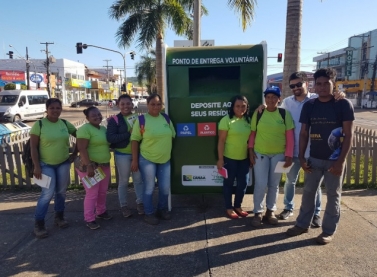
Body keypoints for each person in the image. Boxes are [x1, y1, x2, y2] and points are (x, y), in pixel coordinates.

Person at [286, 68, 354, 245]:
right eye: (319, 83)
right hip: (313, 159)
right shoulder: (310, 105)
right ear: (314, 85)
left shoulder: (343, 104)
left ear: (333, 84)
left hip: (335, 160)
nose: (322, 87)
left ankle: (328, 231)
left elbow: (348, 135)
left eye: (326, 83)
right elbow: (303, 134)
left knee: (333, 196)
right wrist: (301, 157)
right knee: (308, 193)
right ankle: (302, 225)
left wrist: (340, 162)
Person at [278, 71, 323, 227]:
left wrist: (340, 95)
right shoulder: (287, 102)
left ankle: (316, 213)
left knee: (314, 186)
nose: (295, 88)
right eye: (292, 86)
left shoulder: (317, 100)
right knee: (290, 182)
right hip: (294, 151)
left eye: (298, 84)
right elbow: (277, 117)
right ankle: (288, 208)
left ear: (306, 83)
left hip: (314, 152)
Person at [30, 98, 77, 238]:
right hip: (45, 165)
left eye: (58, 108)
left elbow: (80, 136)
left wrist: (75, 153)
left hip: (63, 162)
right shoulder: (39, 125)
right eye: (52, 108)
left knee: (61, 192)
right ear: (47, 109)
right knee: (47, 194)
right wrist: (36, 166)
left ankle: (59, 217)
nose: (55, 110)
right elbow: (33, 147)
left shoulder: (64, 123)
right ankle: (39, 224)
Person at [248, 86, 294, 227]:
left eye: (274, 97)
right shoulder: (259, 113)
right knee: (261, 184)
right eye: (268, 97)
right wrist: (250, 150)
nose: (271, 99)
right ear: (265, 99)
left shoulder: (284, 114)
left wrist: (289, 155)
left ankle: (270, 211)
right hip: (260, 153)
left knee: (274, 185)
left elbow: (290, 136)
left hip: (278, 154)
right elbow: (252, 134)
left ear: (279, 99)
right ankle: (258, 212)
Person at [131, 93, 176, 225]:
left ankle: (161, 210)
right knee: (149, 187)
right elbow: (134, 140)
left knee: (165, 188)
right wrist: (134, 160)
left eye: (158, 104)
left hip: (165, 160)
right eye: (153, 104)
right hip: (147, 159)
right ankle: (149, 213)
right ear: (147, 105)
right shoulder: (141, 120)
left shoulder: (166, 119)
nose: (156, 106)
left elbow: (172, 135)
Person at [106, 94, 144, 217]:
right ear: (118, 105)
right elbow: (111, 137)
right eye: (122, 104)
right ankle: (124, 205)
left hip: (137, 154)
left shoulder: (139, 119)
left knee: (138, 180)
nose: (126, 106)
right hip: (122, 154)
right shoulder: (114, 120)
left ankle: (140, 203)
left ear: (132, 105)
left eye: (128, 103)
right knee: (123, 181)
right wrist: (128, 134)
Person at [77, 106, 112, 230]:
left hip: (104, 165)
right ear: (87, 118)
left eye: (98, 114)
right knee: (92, 193)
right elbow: (82, 148)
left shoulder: (102, 129)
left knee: (102, 191)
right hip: (91, 166)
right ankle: (89, 218)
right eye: (93, 116)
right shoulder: (85, 129)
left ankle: (101, 211)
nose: (97, 117)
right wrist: (89, 165)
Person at [217, 95, 251, 219]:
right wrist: (220, 159)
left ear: (247, 107)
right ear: (232, 107)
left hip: (244, 159)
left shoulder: (249, 120)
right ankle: (228, 207)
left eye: (243, 106)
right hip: (229, 158)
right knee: (228, 184)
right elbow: (221, 141)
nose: (240, 108)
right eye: (237, 106)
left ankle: (238, 206)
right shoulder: (226, 120)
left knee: (243, 184)